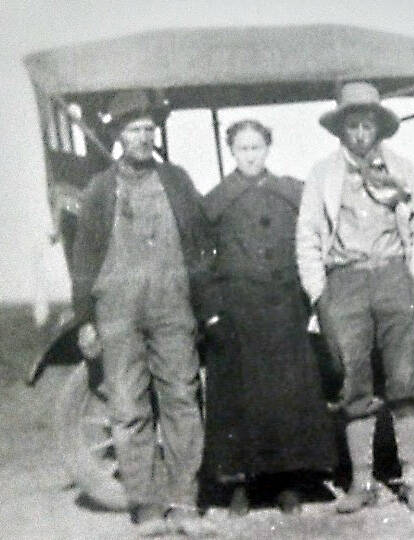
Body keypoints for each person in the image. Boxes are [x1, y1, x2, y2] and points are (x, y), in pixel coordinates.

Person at [72, 89, 215, 532]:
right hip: (117, 313)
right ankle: (147, 509)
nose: (144, 136)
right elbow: (84, 259)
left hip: (173, 309)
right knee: (129, 409)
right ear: (118, 134)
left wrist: (205, 307)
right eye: (135, 129)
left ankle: (186, 505)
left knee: (182, 403)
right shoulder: (99, 190)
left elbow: (199, 246)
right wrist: (85, 320)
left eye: (150, 129)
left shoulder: (177, 181)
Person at [296, 81, 414, 513]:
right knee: (353, 379)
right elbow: (308, 238)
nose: (359, 133)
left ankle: (411, 475)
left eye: (366, 124)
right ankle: (362, 480)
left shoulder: (404, 169)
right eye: (351, 125)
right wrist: (320, 295)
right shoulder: (322, 174)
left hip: (394, 277)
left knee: (404, 377)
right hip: (346, 282)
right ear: (340, 130)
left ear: (378, 127)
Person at [201, 119, 337, 515]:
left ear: (267, 149)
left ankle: (286, 484)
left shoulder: (290, 193)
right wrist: (212, 312)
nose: (250, 156)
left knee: (285, 400)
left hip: (283, 311)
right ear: (232, 152)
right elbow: (201, 262)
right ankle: (240, 485)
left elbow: (313, 239)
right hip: (237, 315)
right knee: (239, 402)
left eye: (256, 148)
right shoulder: (215, 203)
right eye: (242, 149)